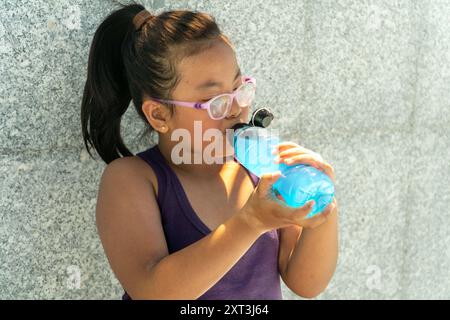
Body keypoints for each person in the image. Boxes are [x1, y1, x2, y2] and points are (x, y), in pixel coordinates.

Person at [81, 3, 339, 300]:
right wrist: (251, 222)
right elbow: (152, 291)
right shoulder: (134, 180)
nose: (237, 109)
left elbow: (306, 283)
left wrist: (323, 203)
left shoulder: (261, 171)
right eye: (215, 101)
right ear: (159, 115)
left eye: (239, 89)